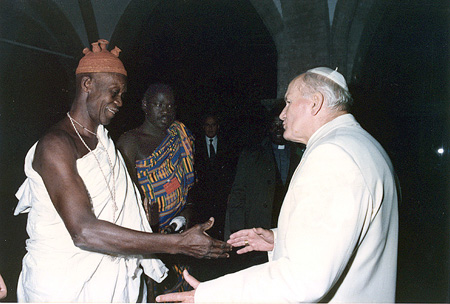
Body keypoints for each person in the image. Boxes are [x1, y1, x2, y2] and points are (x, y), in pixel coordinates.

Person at [156, 67, 399, 303]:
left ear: (315, 103)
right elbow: (336, 234)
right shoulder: (361, 143)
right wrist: (279, 239)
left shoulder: (333, 155)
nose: (282, 114)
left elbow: (305, 279)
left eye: (289, 102)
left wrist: (214, 294)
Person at [14, 39, 231, 303]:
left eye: (122, 95)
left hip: (113, 284)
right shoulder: (56, 144)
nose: (118, 102)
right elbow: (83, 231)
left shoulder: (104, 143)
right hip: (63, 286)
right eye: (114, 92)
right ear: (87, 84)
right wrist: (178, 244)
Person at [117, 83, 197, 296]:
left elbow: (188, 186)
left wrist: (182, 219)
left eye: (170, 106)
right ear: (144, 105)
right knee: (150, 292)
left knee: (179, 290)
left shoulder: (179, 136)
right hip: (145, 235)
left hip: (178, 230)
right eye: (159, 104)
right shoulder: (130, 141)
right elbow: (127, 197)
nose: (166, 111)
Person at [223, 102, 303, 272]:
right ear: (268, 127)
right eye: (274, 125)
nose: (278, 129)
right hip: (257, 234)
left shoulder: (301, 154)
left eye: (281, 124)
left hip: (289, 234)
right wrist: (239, 234)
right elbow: (238, 196)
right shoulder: (251, 155)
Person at [191, 114, 236, 240]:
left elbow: (231, 170)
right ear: (203, 127)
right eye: (207, 125)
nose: (210, 128)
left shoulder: (227, 144)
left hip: (221, 196)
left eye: (213, 125)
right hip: (202, 197)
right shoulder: (195, 145)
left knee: (220, 226)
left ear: (218, 127)